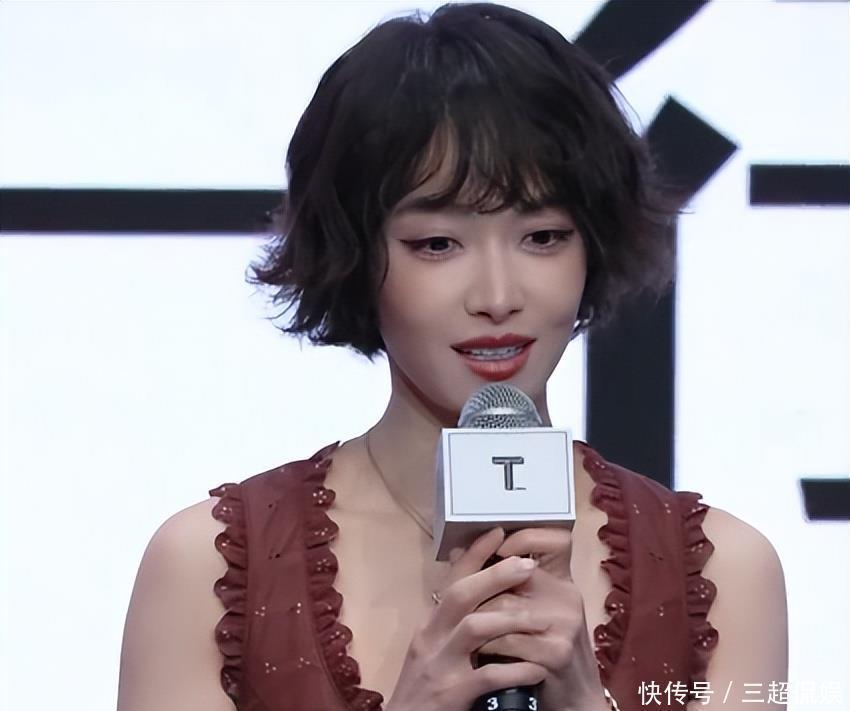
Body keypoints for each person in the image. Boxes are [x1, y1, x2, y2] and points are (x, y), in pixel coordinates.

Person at [117, 3, 787, 710]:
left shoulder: (725, 575)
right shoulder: (209, 569)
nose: (498, 296)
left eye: (544, 237)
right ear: (354, 254)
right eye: (437, 243)